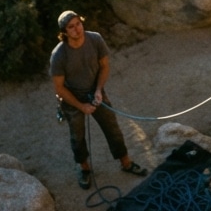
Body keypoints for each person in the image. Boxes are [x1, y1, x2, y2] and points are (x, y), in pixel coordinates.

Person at [50, 10, 148, 189]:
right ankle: (84, 168)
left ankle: (126, 163)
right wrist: (81, 106)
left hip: (94, 91)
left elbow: (104, 67)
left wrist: (98, 90)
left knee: (112, 127)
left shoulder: (95, 39)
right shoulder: (59, 55)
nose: (77, 29)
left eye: (78, 23)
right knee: (77, 136)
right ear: (64, 32)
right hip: (72, 98)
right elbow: (59, 88)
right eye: (71, 27)